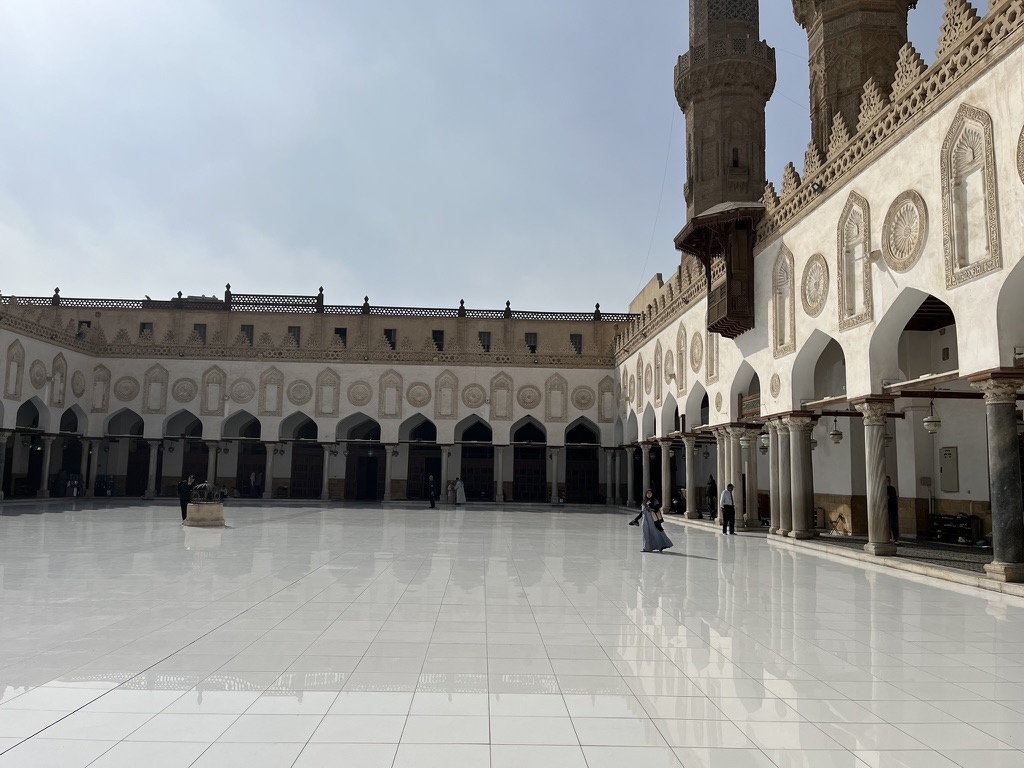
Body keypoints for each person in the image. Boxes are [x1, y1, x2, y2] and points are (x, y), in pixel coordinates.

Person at [886, 475, 900, 545]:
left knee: (893, 524)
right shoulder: (883, 489)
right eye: (887, 480)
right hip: (885, 509)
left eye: (889, 480)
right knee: (886, 524)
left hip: (892, 509)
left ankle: (895, 538)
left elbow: (892, 498)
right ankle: (887, 538)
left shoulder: (892, 489)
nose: (889, 482)